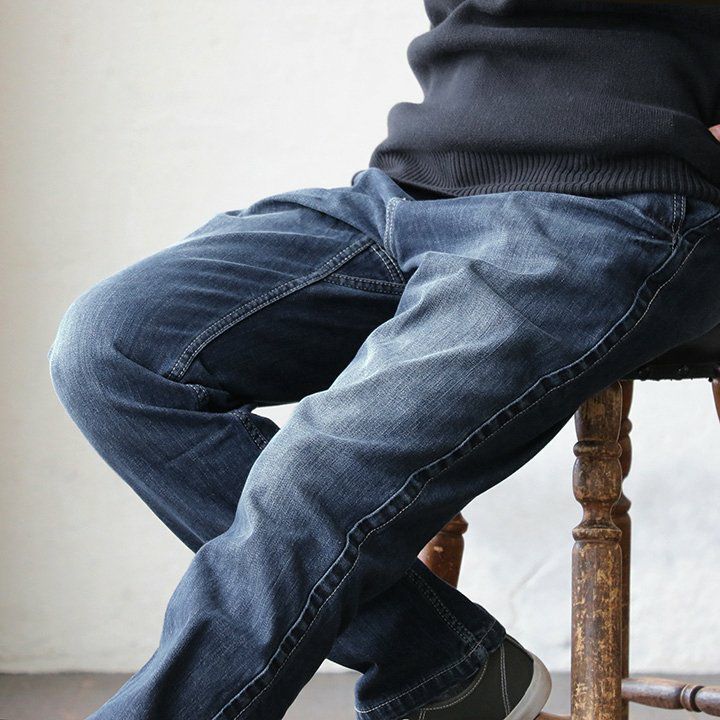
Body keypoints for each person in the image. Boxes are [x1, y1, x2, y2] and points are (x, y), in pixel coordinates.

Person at [48, 2, 720, 719]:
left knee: (320, 471)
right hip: (416, 185)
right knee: (110, 349)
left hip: (617, 196)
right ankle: (439, 665)